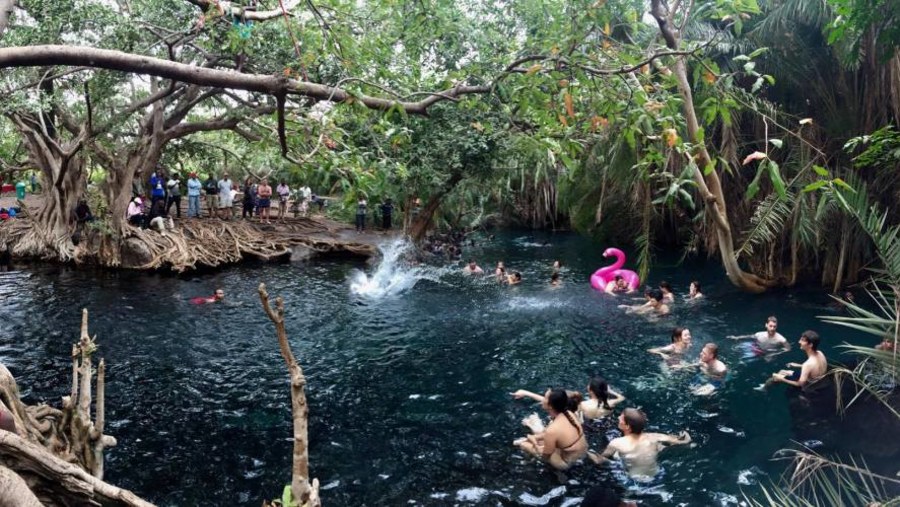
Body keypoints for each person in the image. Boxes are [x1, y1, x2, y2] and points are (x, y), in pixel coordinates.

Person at [589, 408, 691, 480]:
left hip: (634, 481)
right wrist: (685, 435)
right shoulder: (654, 437)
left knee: (614, 457)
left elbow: (600, 460)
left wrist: (586, 451)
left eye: (621, 418)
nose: (618, 418)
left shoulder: (617, 443)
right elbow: (684, 441)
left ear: (627, 426)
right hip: (657, 475)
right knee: (657, 447)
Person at [513, 388, 588, 470]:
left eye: (545, 398)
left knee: (523, 444)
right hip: (582, 453)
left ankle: (528, 464)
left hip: (567, 463)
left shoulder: (552, 430)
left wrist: (534, 444)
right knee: (538, 440)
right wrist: (536, 437)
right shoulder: (569, 413)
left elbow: (545, 457)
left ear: (551, 406)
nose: (543, 399)